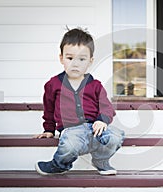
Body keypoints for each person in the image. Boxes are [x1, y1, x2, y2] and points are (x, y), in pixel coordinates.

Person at [34, 28, 124, 176]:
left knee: (116, 136)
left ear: (90, 61)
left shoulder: (95, 85)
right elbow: (49, 109)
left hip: (95, 129)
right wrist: (49, 130)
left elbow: (107, 107)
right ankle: (59, 164)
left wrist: (102, 121)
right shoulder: (53, 84)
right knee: (70, 144)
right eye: (70, 58)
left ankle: (101, 161)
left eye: (81, 59)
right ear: (61, 58)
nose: (75, 64)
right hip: (71, 131)